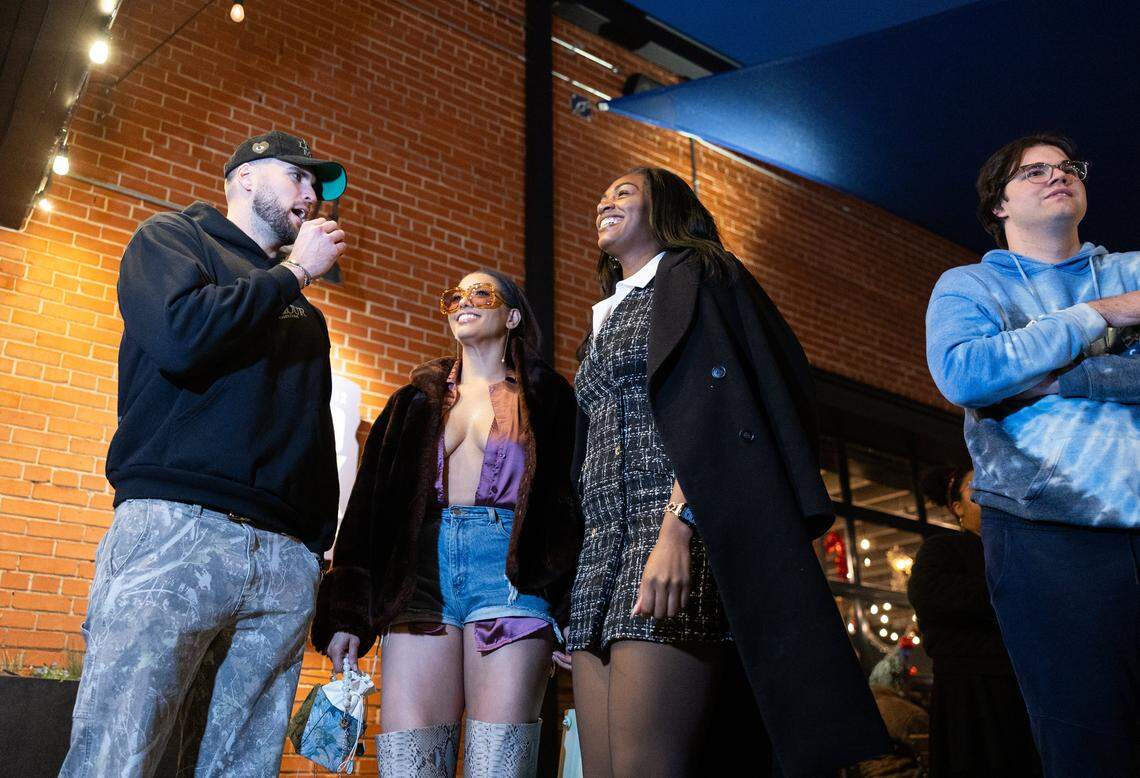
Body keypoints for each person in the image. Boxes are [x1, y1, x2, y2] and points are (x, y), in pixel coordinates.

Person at [567, 166, 889, 777]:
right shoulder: (603, 317)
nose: (605, 200)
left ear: (665, 208)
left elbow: (724, 410)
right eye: (603, 193)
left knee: (646, 767)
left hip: (670, 531)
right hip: (599, 552)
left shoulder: (699, 277)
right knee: (601, 770)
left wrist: (680, 524)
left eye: (624, 192)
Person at [61, 130, 348, 777]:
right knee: (117, 755)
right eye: (298, 175)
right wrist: (295, 272)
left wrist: (315, 553)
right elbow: (180, 337)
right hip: (177, 530)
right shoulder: (173, 239)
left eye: (318, 184)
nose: (312, 194)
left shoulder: (305, 312)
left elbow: (309, 436)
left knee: (241, 766)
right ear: (244, 177)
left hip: (282, 559)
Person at [926, 132, 1140, 776]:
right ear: (999, 204)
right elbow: (965, 374)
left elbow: (1001, 374)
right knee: (1087, 741)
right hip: (1043, 532)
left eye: (1069, 166)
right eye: (1034, 170)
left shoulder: (1135, 269)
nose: (1058, 175)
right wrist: (1096, 317)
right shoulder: (966, 286)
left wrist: (1048, 375)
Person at [311, 269, 581, 777]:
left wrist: (572, 607)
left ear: (513, 316)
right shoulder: (412, 402)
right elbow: (369, 512)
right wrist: (346, 613)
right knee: (408, 762)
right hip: (419, 579)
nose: (463, 301)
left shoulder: (549, 399)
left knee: (497, 763)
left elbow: (573, 503)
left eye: (481, 293)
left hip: (511, 579)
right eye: (454, 296)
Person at [908, 467, 1040, 776]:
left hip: (1025, 689)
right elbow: (931, 593)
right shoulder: (943, 548)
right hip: (970, 694)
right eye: (975, 486)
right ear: (957, 508)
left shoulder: (1022, 553)